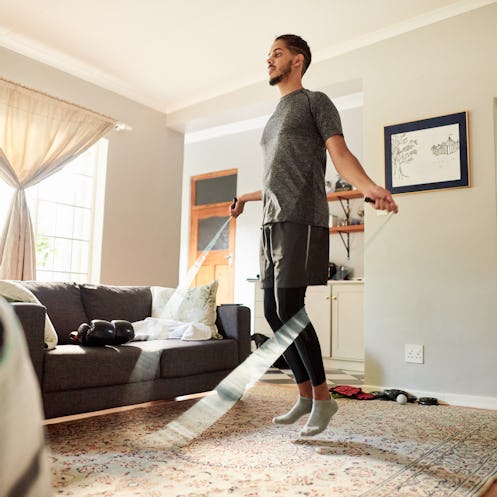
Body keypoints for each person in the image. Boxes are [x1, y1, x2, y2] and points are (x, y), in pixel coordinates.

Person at [230, 34, 398, 437]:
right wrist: (246, 199)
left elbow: (340, 153)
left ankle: (324, 400)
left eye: (277, 53)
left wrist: (367, 186)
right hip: (272, 220)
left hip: (301, 218)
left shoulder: (314, 101)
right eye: (268, 53)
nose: (268, 59)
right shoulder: (274, 117)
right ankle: (304, 396)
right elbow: (275, 179)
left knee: (290, 308)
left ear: (298, 60)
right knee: (272, 313)